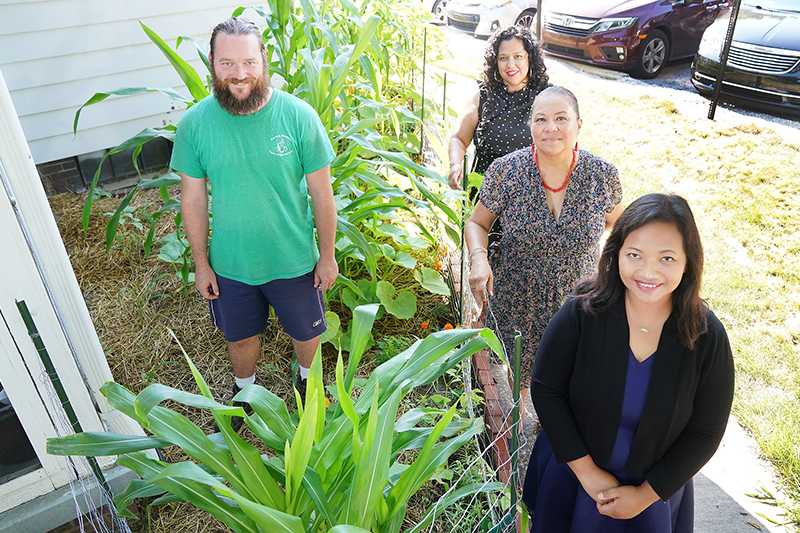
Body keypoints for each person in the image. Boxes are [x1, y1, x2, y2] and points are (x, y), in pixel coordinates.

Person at [523, 193, 735, 532]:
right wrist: (590, 476)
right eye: (634, 254)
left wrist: (644, 496)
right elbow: (546, 390)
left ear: (688, 262)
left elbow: (706, 431)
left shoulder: (707, 336)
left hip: (654, 493)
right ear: (616, 253)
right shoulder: (581, 313)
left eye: (666, 258)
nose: (648, 271)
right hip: (574, 478)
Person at [171, 17, 337, 428]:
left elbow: (321, 192)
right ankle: (244, 391)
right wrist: (201, 262)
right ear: (212, 63)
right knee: (240, 337)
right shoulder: (195, 123)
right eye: (227, 64)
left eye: (248, 62)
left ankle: (307, 384)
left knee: (305, 333)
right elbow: (192, 196)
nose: (239, 74)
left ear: (264, 60)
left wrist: (328, 255)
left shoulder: (298, 117)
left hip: (294, 257)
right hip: (231, 264)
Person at [465, 86, 623, 425]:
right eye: (541, 119)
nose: (551, 128)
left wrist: (607, 269)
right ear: (531, 126)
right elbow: (477, 222)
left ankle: (555, 426)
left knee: (570, 371)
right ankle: (517, 413)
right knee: (519, 370)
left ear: (579, 125)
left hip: (577, 296)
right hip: (517, 291)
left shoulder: (601, 175)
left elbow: (620, 228)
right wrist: (479, 259)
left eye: (561, 118)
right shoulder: (507, 171)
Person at [448, 25, 549, 191]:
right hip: (484, 195)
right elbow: (458, 139)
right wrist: (456, 164)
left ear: (530, 58)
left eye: (518, 56)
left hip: (530, 198)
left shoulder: (547, 97)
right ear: (495, 61)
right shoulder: (482, 95)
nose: (511, 64)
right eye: (503, 58)